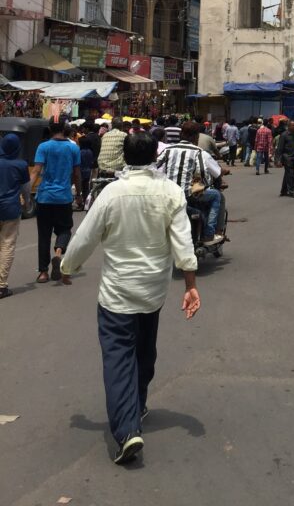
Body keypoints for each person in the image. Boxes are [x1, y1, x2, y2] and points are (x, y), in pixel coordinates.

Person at [61, 132, 200, 465]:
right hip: (152, 292)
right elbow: (183, 243)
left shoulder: (112, 193)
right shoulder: (170, 192)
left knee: (119, 356)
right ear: (155, 155)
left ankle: (126, 429)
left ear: (124, 156)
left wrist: (67, 265)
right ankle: (134, 406)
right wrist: (191, 284)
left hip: (117, 293)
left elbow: (84, 237)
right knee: (144, 352)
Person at [155, 122, 223, 245]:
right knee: (216, 195)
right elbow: (202, 172)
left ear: (181, 135)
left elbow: (154, 166)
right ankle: (209, 234)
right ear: (196, 137)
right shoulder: (198, 152)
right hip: (188, 195)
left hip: (169, 194)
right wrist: (205, 185)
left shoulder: (168, 150)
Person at [31, 121, 82, 283]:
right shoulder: (73, 148)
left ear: (50, 131)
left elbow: (36, 171)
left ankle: (43, 273)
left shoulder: (43, 147)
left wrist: (25, 192)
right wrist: (79, 193)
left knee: (44, 235)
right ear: (65, 131)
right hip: (64, 197)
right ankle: (58, 252)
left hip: (44, 197)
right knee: (65, 229)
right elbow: (76, 173)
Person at [0, 134, 31, 299]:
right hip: (11, 210)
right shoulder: (21, 165)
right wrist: (27, 203)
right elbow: (26, 189)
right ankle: (1, 286)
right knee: (7, 245)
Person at [275, 121, 294, 197]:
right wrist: (278, 160)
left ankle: (284, 191)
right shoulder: (284, 135)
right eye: (293, 125)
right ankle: (292, 191)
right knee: (290, 174)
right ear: (288, 126)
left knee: (288, 174)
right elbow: (279, 148)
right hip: (287, 158)